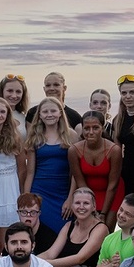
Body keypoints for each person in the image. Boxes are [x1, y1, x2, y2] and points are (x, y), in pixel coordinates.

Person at [40, 188, 109, 267]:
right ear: (72, 206)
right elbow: (50, 253)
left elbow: (80, 258)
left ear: (94, 207)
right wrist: (31, 261)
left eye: (86, 203)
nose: (81, 207)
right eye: (77, 203)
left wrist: (45, 265)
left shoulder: (100, 228)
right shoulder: (68, 226)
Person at [24, 96, 77, 233]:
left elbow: (76, 173)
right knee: (41, 231)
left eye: (53, 111)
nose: (49, 115)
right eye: (45, 112)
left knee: (62, 230)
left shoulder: (71, 135)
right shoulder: (34, 137)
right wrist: (26, 198)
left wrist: (71, 198)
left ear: (60, 112)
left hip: (62, 192)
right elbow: (30, 172)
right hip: (40, 192)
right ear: (40, 115)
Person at [0, 97, 26, 259]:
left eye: (3, 111)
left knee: (3, 239)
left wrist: (22, 195)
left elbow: (22, 169)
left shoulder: (15, 136)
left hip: (9, 186)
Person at [68, 111, 124, 228]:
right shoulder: (74, 150)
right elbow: (80, 182)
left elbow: (113, 184)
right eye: (87, 128)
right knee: (87, 226)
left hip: (112, 192)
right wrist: (90, 207)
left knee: (105, 228)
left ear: (102, 128)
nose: (91, 132)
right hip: (87, 190)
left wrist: (103, 213)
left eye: (95, 128)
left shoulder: (114, 150)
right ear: (82, 129)